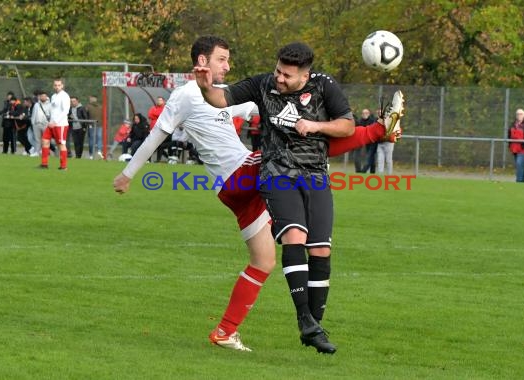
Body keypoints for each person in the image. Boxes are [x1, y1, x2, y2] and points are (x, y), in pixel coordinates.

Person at [114, 35, 402, 353]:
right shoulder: (185, 95)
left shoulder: (234, 93)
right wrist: (127, 175)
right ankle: (379, 130)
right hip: (238, 176)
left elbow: (262, 109)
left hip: (241, 190)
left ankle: (225, 332)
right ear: (202, 62)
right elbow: (157, 135)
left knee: (263, 262)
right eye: (221, 59)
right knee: (291, 150)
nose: (228, 64)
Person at [40, 78, 70, 170]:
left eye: (59, 85)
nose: (57, 87)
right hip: (51, 124)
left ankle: (63, 166)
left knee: (61, 145)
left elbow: (66, 111)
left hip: (60, 125)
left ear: (62, 86)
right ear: (53, 86)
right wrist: (50, 121)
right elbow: (53, 110)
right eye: (55, 85)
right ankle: (44, 164)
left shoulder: (64, 96)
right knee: (45, 141)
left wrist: (56, 121)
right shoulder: (53, 96)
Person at [508, 108, 524, 183]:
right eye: (518, 114)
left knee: (519, 163)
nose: (519, 115)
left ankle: (518, 181)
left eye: (521, 114)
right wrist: (510, 145)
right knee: (520, 164)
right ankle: (523, 180)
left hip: (522, 149)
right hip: (514, 148)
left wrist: (523, 146)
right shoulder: (512, 124)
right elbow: (509, 135)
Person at [30, 90, 52, 157]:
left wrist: (49, 123)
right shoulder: (36, 104)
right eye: (41, 96)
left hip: (45, 124)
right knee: (37, 139)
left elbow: (51, 114)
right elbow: (34, 114)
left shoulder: (50, 105)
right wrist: (33, 123)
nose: (43, 97)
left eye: (44, 96)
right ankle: (37, 152)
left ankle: (45, 152)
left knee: (45, 139)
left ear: (46, 97)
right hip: (36, 124)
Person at [86, 95, 104, 159]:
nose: (91, 99)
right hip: (96, 124)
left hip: (94, 124)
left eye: (91, 98)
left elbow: (85, 114)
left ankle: (93, 153)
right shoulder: (100, 106)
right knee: (97, 138)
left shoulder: (89, 106)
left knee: (94, 138)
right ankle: (97, 151)